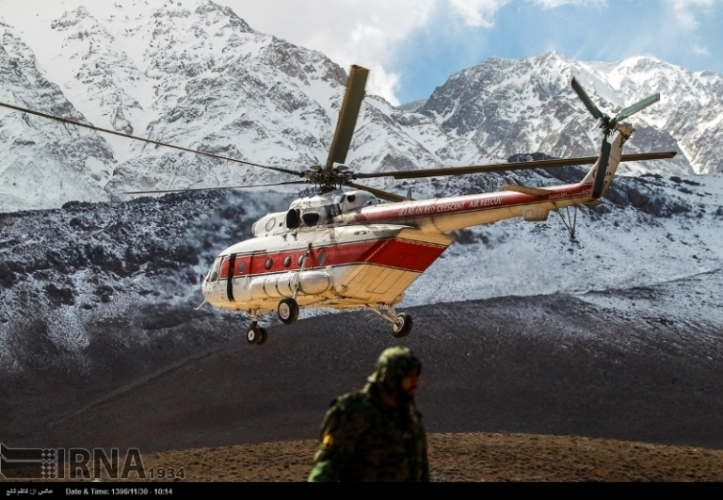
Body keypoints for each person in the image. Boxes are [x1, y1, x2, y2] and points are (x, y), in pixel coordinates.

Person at [308, 346, 429, 481]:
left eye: (416, 376)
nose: (416, 383)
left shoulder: (410, 418)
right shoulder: (353, 412)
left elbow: (421, 471)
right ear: (390, 376)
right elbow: (325, 469)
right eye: (409, 377)